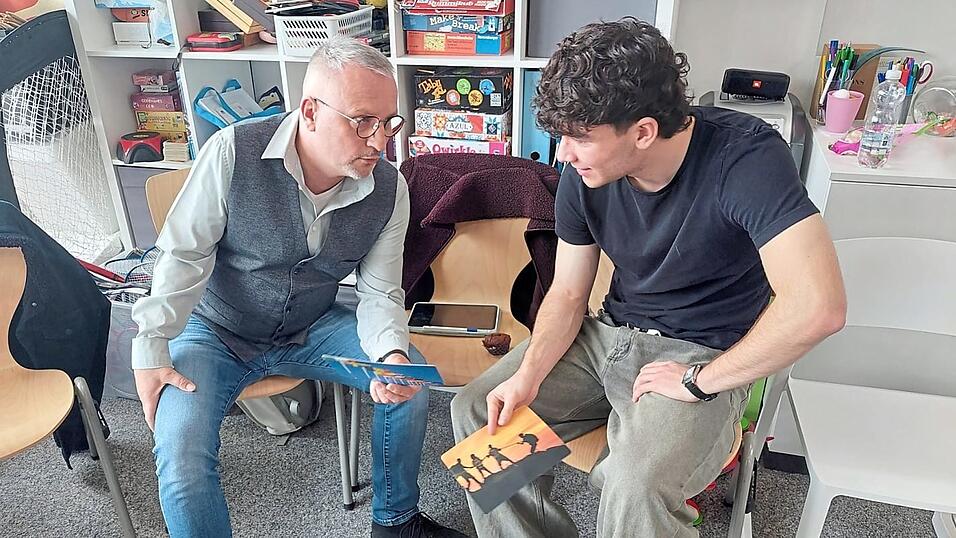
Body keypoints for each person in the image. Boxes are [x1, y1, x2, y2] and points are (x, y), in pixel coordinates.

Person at [451, 18, 846, 538]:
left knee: (635, 485)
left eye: (579, 138)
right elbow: (569, 292)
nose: (562, 154)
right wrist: (527, 376)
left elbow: (819, 306)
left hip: (699, 355)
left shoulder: (745, 158)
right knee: (481, 415)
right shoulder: (583, 174)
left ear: (642, 131)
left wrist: (699, 382)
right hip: (607, 337)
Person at [131, 36, 464, 538]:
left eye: (389, 123)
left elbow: (379, 291)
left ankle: (394, 520)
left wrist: (391, 353)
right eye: (362, 122)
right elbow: (184, 255)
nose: (379, 141)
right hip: (216, 331)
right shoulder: (232, 151)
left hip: (312, 326)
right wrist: (151, 347)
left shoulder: (390, 189)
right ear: (310, 111)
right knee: (180, 453)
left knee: (409, 382)